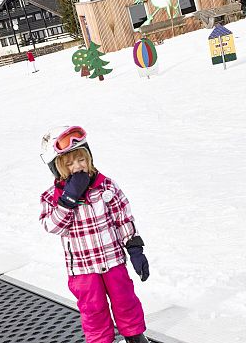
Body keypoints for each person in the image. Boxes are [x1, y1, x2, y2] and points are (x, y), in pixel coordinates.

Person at [39, 126, 151, 343]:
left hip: (113, 261)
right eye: (68, 164)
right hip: (83, 269)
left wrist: (135, 249)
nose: (77, 167)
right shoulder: (52, 197)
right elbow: (52, 226)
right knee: (93, 310)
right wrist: (68, 199)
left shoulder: (105, 186)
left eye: (81, 159)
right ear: (56, 167)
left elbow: (123, 218)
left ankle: (135, 336)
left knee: (125, 301)